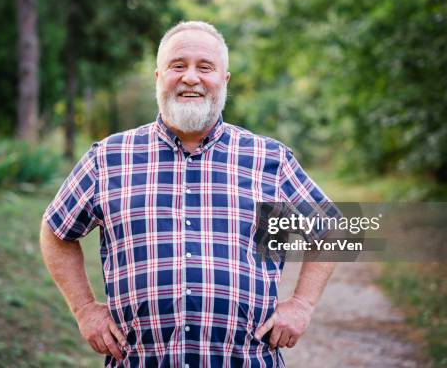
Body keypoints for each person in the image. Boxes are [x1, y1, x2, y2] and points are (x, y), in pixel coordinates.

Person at [40, 21, 338, 367]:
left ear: (224, 80)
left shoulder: (269, 159)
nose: (191, 78)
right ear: (158, 77)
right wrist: (85, 310)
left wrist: (301, 305)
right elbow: (56, 231)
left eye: (205, 67)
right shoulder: (108, 158)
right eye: (178, 66)